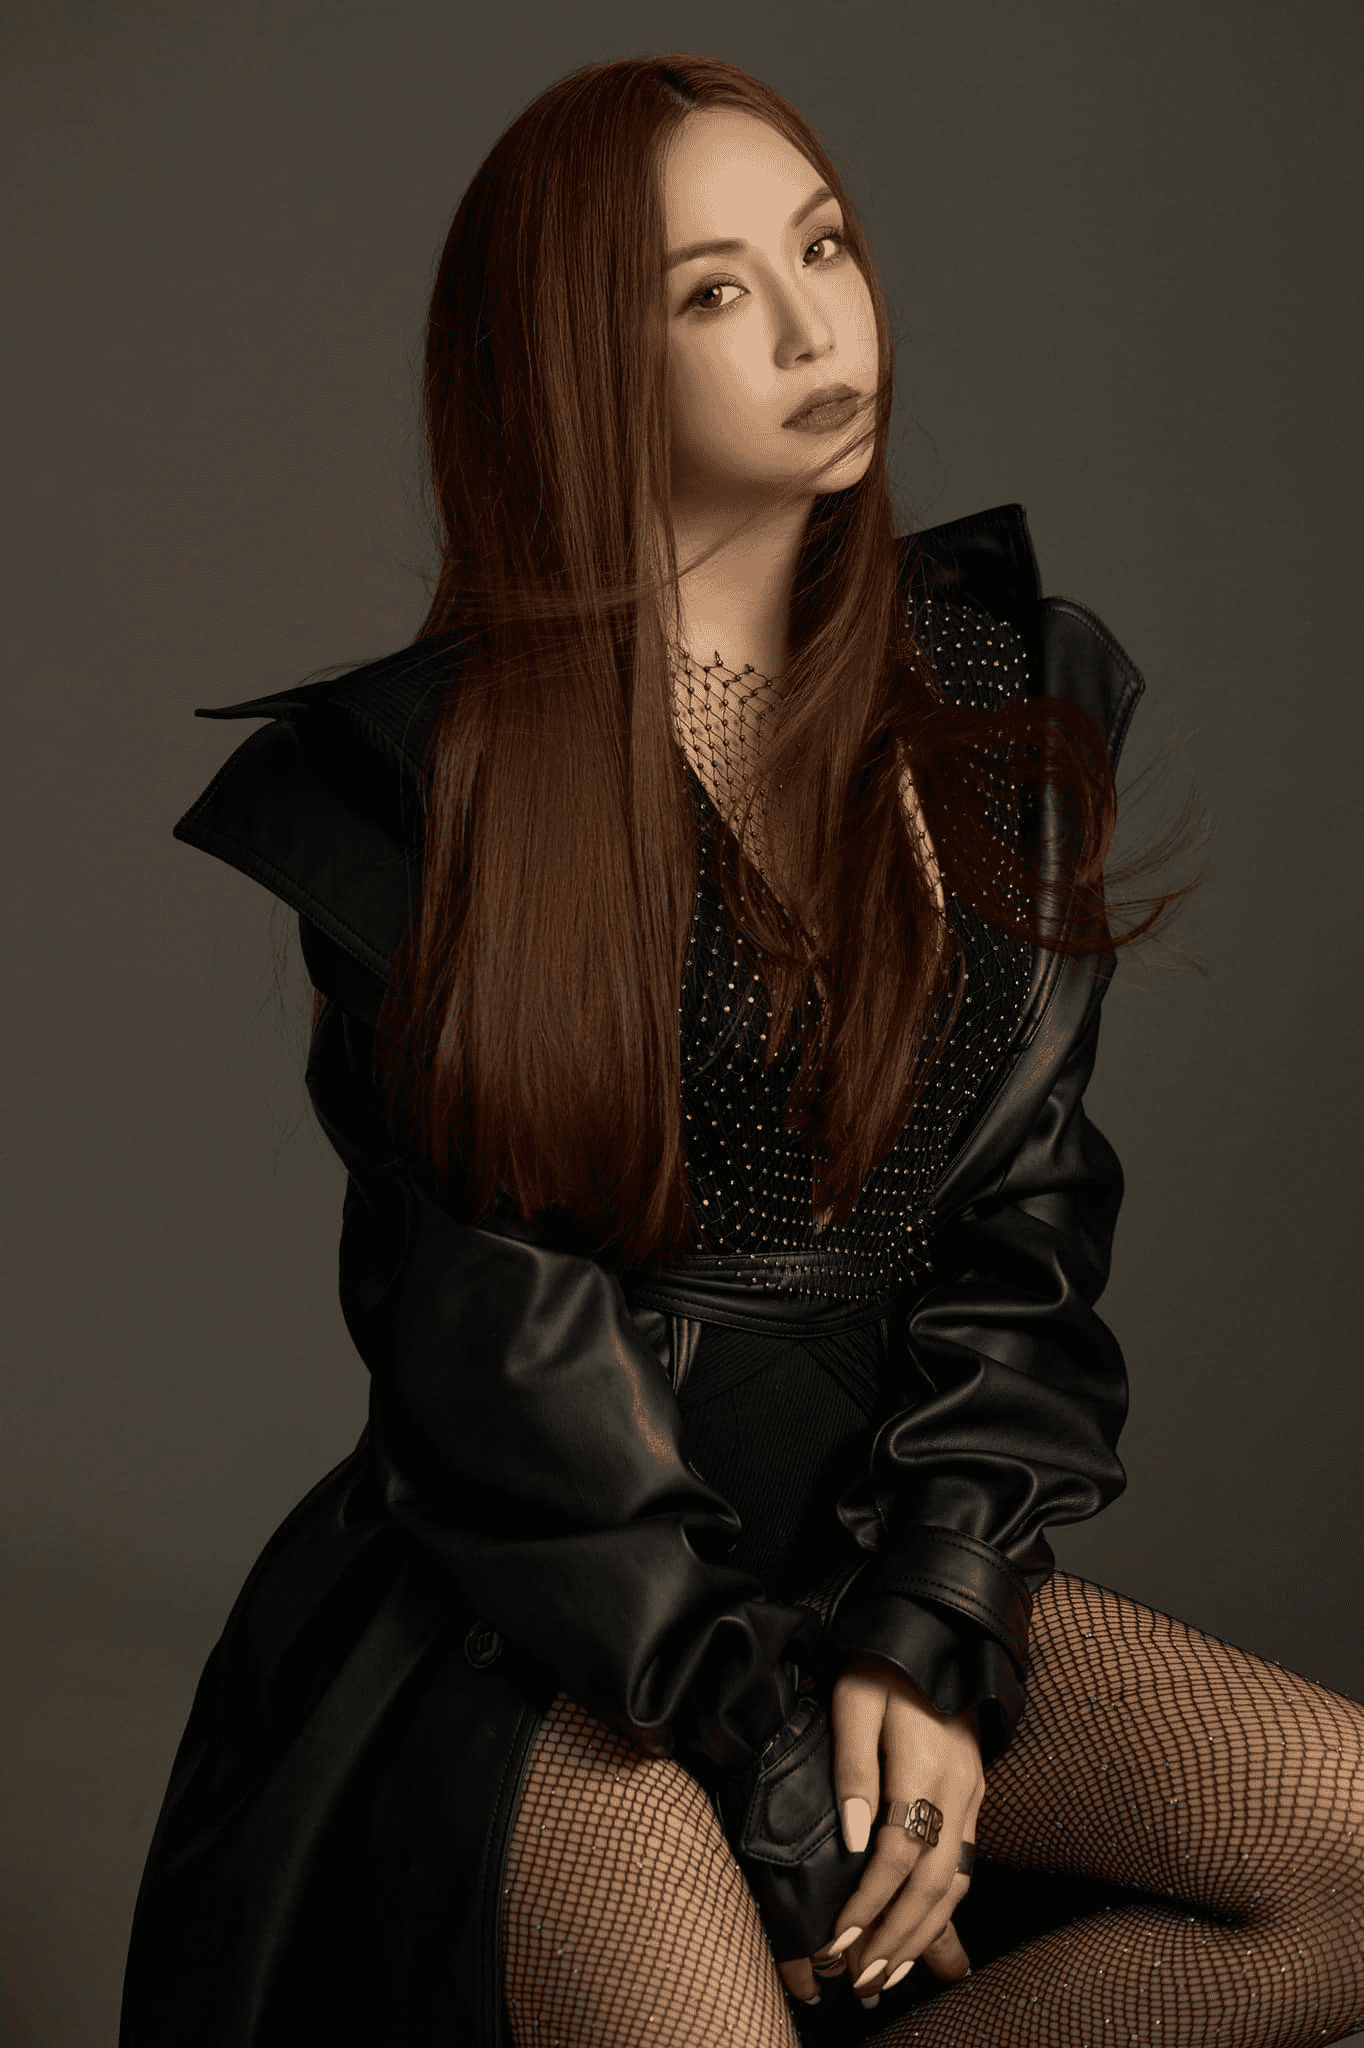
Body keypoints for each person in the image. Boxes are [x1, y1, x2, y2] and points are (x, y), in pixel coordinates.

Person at [119, 51, 1364, 2048]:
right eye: (713, 291)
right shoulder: (422, 793)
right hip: (555, 1630)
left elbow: (1024, 1230)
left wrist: (932, 1625)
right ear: (578, 365)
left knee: (1346, 1854)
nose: (812, 328)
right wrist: (775, 1768)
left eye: (826, 249)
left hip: (870, 1556)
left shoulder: (989, 688)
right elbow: (501, 1371)